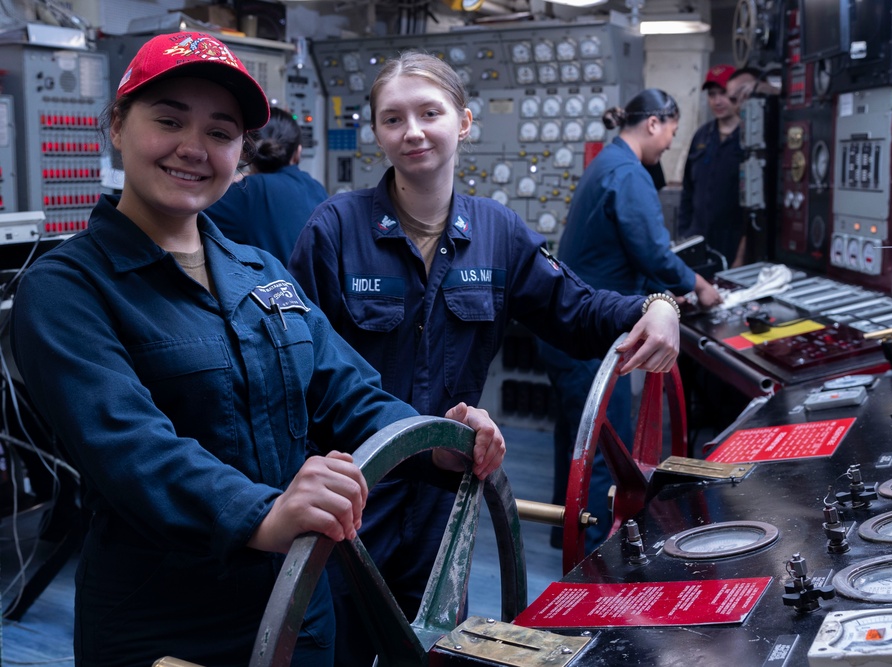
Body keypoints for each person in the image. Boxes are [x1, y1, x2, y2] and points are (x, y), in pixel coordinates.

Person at [9, 32, 504, 667]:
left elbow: (345, 391)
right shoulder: (65, 289)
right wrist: (262, 515)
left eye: (221, 132)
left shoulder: (259, 272)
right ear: (116, 126)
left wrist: (434, 439)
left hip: (300, 607)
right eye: (168, 120)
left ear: (241, 152)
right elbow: (130, 449)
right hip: (169, 626)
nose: (194, 148)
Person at [287, 51, 682, 666]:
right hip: (356, 494)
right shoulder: (334, 229)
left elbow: (575, 311)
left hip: (447, 496)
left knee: (434, 649)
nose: (412, 130)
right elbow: (301, 370)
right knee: (340, 646)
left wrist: (655, 305)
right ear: (377, 133)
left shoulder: (497, 232)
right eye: (393, 119)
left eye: (429, 112)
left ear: (464, 122)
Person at [539, 88, 723, 554]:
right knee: (606, 451)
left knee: (577, 443)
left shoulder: (608, 163)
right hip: (594, 336)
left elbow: (622, 254)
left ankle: (571, 534)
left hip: (565, 330)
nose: (668, 146)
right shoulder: (628, 172)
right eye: (671, 134)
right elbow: (653, 251)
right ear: (655, 123)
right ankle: (596, 558)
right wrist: (700, 286)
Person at [206, 105, 327, 265]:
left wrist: (226, 183)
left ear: (244, 151)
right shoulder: (316, 187)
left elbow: (183, 214)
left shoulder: (247, 192)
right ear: (298, 153)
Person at [678, 64, 747, 270]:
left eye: (723, 93)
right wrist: (684, 237)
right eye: (712, 94)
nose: (717, 101)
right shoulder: (702, 136)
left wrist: (742, 256)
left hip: (732, 245)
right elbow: (687, 191)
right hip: (698, 242)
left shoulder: (749, 138)